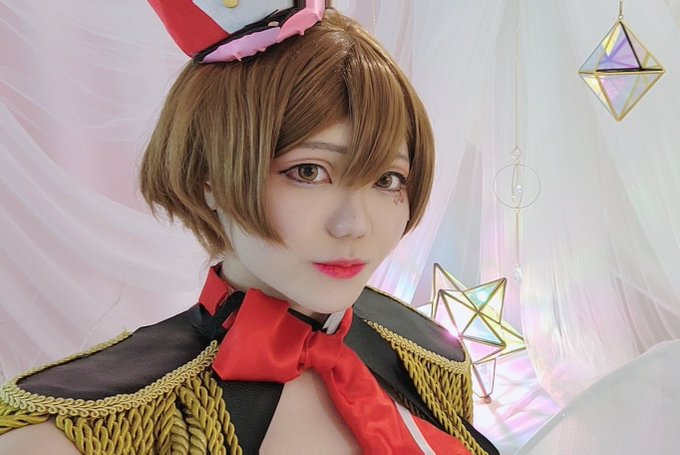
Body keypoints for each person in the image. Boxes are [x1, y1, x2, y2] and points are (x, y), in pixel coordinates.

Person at [0, 1, 498, 453]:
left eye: (387, 179)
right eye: (308, 172)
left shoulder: (429, 358)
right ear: (209, 178)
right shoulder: (80, 433)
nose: (354, 225)